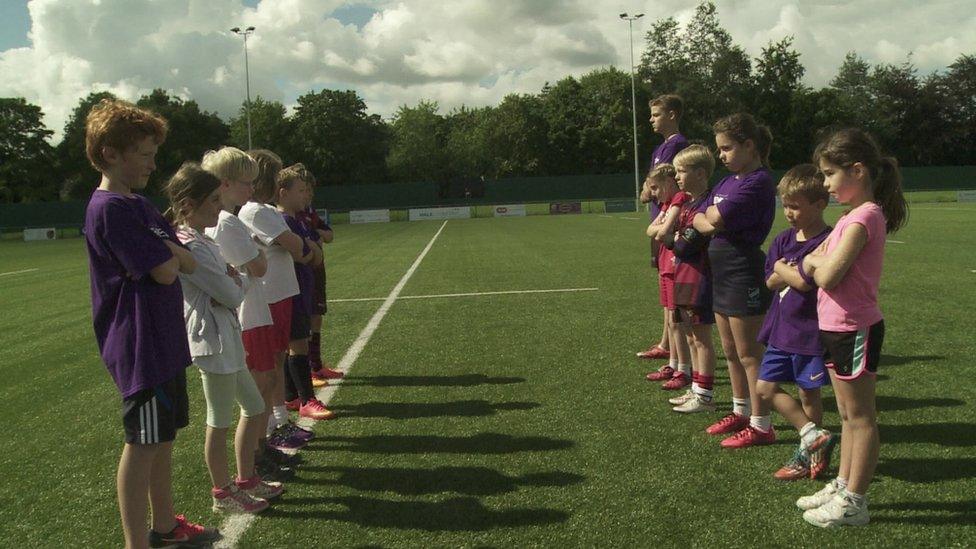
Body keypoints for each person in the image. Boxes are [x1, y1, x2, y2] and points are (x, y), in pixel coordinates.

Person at [82, 99, 220, 548]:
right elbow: (167, 268)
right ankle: (135, 543)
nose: (152, 163)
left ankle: (165, 527)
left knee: (162, 440)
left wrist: (174, 256)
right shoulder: (111, 210)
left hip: (163, 341)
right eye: (143, 153)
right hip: (139, 346)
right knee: (141, 444)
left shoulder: (137, 205)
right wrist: (175, 256)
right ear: (110, 154)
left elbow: (185, 264)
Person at [797, 128, 907, 527]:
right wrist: (814, 262)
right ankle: (843, 484)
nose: (824, 184)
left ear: (857, 170)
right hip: (834, 327)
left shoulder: (864, 217)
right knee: (845, 414)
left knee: (861, 417)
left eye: (829, 174)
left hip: (854, 328)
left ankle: (855, 501)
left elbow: (825, 273)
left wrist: (813, 263)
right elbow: (816, 259)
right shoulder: (849, 217)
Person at [165, 162, 283, 514]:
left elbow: (230, 287)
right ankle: (222, 492)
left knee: (255, 405)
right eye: (213, 200)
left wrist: (234, 279)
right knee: (218, 420)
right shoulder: (193, 244)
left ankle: (246, 478)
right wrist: (239, 279)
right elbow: (232, 294)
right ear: (189, 203)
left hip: (226, 334)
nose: (220, 206)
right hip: (211, 341)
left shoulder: (202, 240)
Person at [692, 113, 777, 446]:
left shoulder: (758, 181)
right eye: (719, 149)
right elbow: (703, 218)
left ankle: (761, 424)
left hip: (744, 270)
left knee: (749, 354)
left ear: (749, 145)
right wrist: (709, 219)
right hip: (722, 271)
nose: (722, 156)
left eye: (727, 148)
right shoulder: (727, 182)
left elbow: (712, 217)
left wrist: (710, 218)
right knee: (730, 349)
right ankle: (740, 412)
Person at [750, 164, 838, 478]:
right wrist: (788, 271)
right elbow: (771, 282)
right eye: (785, 205)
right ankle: (812, 436)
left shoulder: (828, 241)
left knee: (807, 393)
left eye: (796, 207)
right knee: (764, 387)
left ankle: (810, 456)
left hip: (811, 331)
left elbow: (803, 282)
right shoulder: (782, 239)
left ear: (820, 204)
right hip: (780, 329)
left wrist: (782, 268)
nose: (788, 213)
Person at [239, 149, 309, 473]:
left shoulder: (265, 210)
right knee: (268, 367)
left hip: (279, 293)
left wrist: (293, 242)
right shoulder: (256, 212)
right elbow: (294, 244)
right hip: (269, 296)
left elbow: (292, 243)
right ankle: (270, 429)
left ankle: (278, 421)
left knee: (277, 360)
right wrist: (294, 242)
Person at [274, 164, 334, 421]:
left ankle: (291, 396)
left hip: (300, 287)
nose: (305, 196)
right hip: (294, 289)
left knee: (295, 343)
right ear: (283, 193)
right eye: (300, 190)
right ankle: (307, 399)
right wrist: (311, 248)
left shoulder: (296, 219)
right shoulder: (286, 221)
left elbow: (316, 247)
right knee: (297, 344)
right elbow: (310, 254)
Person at [660, 145, 718, 414]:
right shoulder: (689, 203)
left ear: (701, 173)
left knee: (701, 337)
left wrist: (674, 238)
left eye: (682, 171)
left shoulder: (706, 204)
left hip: (699, 276)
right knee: (692, 335)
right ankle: (696, 388)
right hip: (684, 273)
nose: (677, 177)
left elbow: (682, 246)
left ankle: (705, 395)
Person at [639, 94, 691, 362]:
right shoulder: (659, 149)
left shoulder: (679, 145)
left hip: (668, 223)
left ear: (672, 115)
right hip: (658, 218)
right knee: (664, 282)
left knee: (671, 284)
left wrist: (650, 190)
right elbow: (649, 185)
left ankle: (670, 346)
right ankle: (666, 342)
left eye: (656, 114)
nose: (651, 119)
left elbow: (662, 185)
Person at [643, 164, 693, 390]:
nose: (653, 193)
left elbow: (660, 231)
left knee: (677, 321)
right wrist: (662, 227)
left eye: (655, 187)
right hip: (665, 264)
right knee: (672, 321)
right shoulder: (666, 203)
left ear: (668, 182)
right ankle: (673, 364)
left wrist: (663, 227)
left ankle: (684, 369)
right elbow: (650, 230)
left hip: (675, 266)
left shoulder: (679, 198)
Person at [295, 181, 343, 385]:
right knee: (303, 322)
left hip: (317, 271)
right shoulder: (293, 216)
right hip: (305, 272)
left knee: (317, 317)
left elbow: (329, 235)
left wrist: (316, 235)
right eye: (303, 190)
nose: (308, 195)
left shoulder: (310, 212)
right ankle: (308, 371)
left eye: (309, 191)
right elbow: (308, 241)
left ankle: (316, 365)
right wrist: (315, 237)